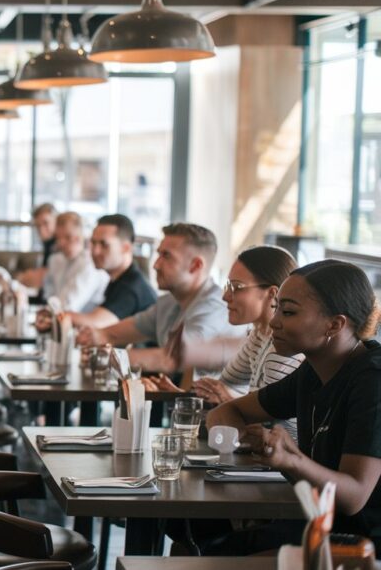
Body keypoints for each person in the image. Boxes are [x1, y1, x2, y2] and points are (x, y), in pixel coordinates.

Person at [199, 260, 381, 554]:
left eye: (289, 312)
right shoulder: (313, 371)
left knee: (222, 551)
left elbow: (353, 497)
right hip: (318, 518)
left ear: (335, 324)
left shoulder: (372, 380)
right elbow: (226, 412)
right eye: (277, 309)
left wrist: (292, 459)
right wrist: (242, 440)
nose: (273, 322)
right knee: (198, 525)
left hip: (362, 542)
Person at [143, 245, 304, 438]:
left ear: (272, 294)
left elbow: (272, 421)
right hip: (259, 449)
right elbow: (220, 387)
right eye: (227, 286)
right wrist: (181, 394)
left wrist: (228, 400)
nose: (225, 296)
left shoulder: (284, 347)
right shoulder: (258, 336)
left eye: (236, 287)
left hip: (281, 458)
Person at [77, 222, 239, 373]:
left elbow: (171, 359)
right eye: (159, 254)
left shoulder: (214, 308)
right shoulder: (169, 302)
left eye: (166, 256)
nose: (156, 265)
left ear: (195, 265)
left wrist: (106, 357)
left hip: (212, 403)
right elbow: (117, 333)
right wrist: (96, 335)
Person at [39, 214, 155, 330]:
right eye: (93, 243)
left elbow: (94, 322)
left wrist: (52, 315)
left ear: (126, 248)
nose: (95, 251)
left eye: (104, 245)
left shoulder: (131, 287)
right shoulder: (117, 281)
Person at [41, 211, 109, 313]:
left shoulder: (91, 265)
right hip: (59, 321)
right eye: (58, 237)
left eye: (68, 237)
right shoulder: (56, 260)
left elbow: (68, 305)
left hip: (85, 324)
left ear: (80, 236)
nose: (61, 242)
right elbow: (47, 295)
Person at [16, 203, 58, 287]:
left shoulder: (60, 247)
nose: (41, 229)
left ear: (56, 221)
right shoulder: (48, 245)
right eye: (38, 226)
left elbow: (41, 279)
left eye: (46, 223)